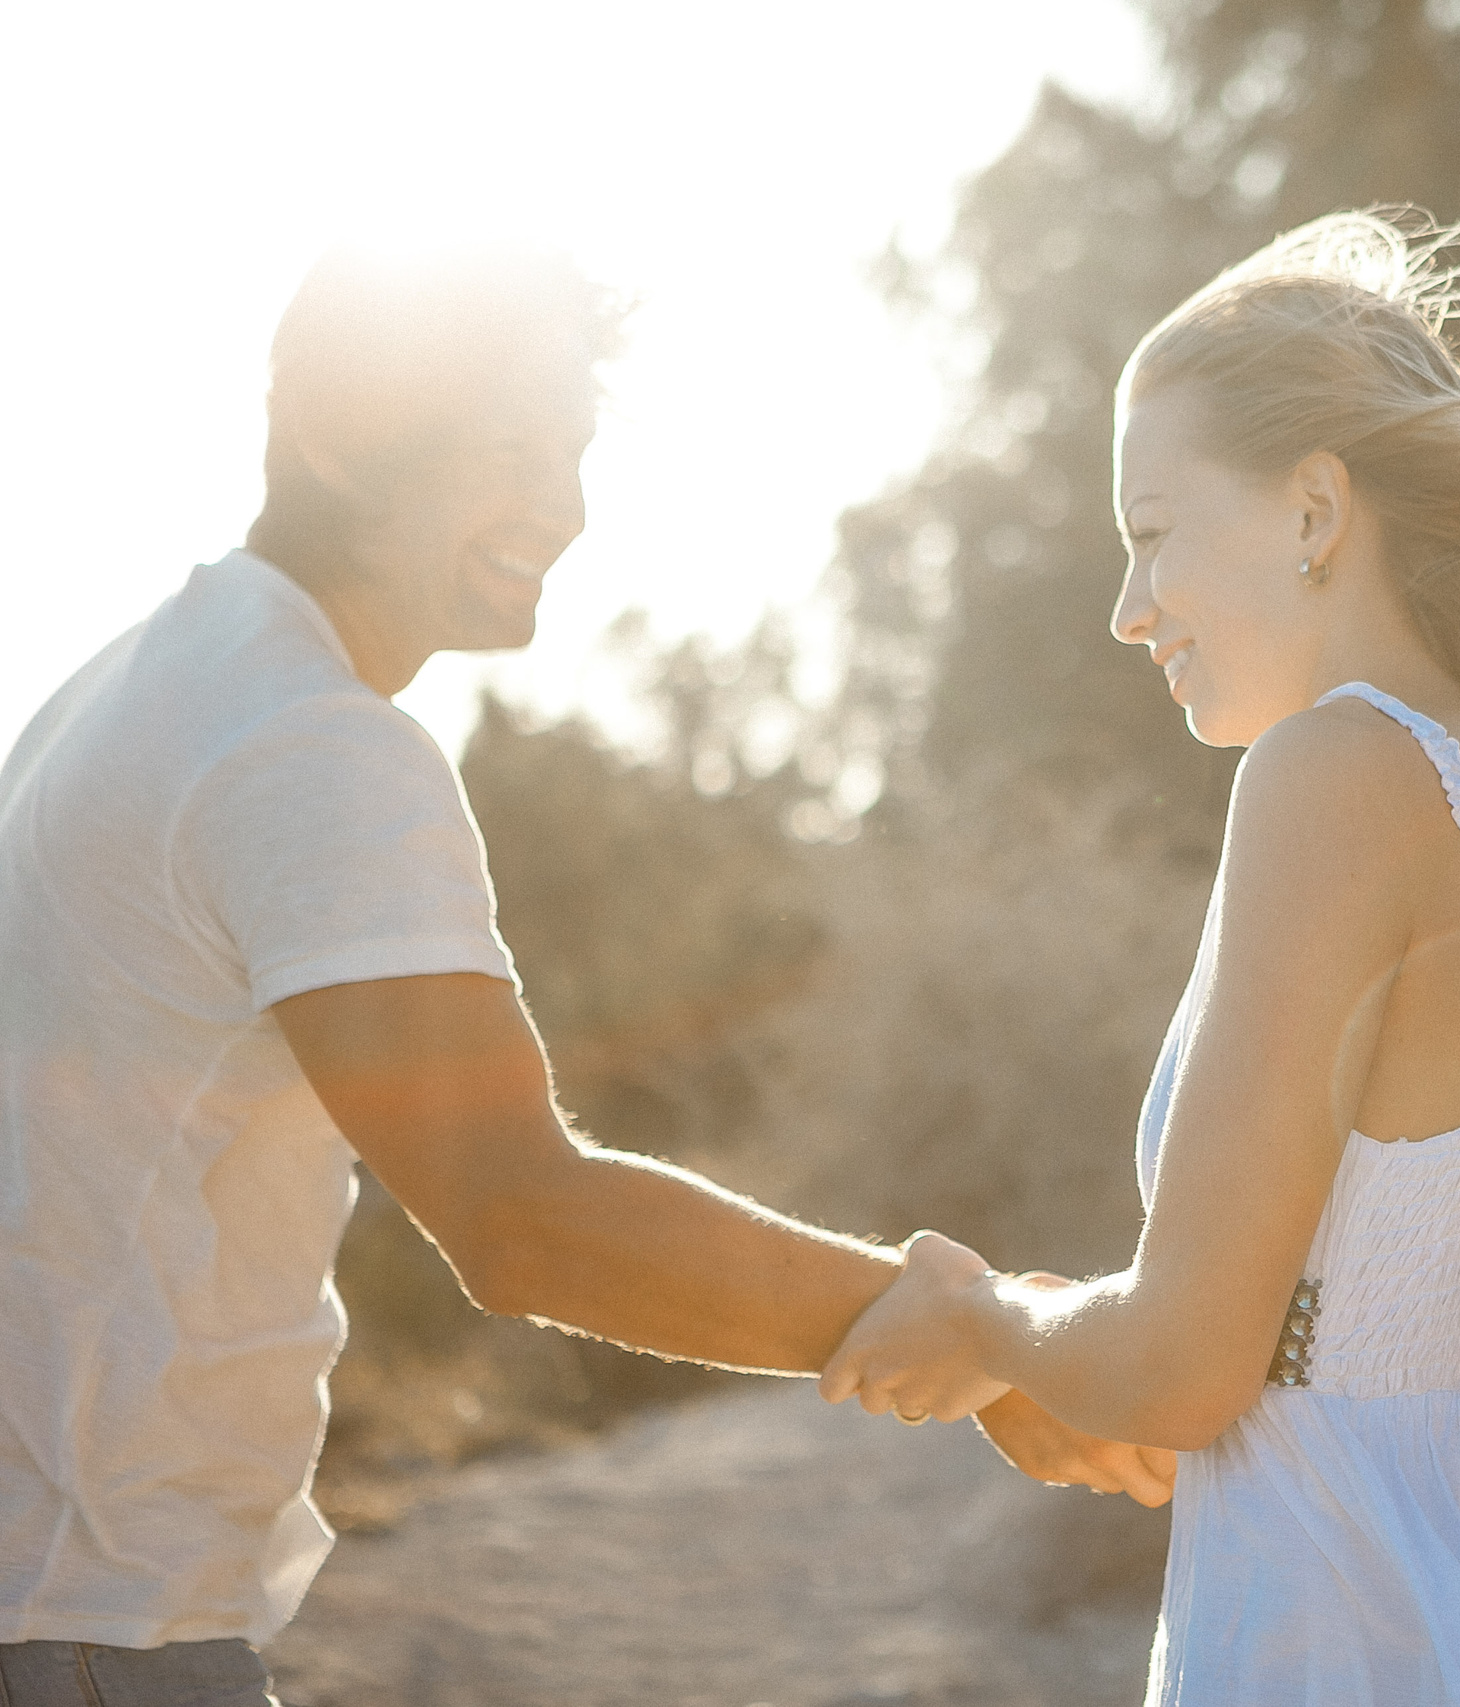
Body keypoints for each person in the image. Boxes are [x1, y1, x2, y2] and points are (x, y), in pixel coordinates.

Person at [0, 243, 1168, 1707]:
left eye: (573, 452)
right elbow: (520, 1215)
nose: (560, 504)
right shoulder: (310, 744)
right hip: (98, 1635)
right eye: (509, 450)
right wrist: (974, 1327)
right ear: (336, 438)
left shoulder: (139, 682)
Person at [824, 209, 1460, 1703]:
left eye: (1150, 534)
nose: (1128, 609)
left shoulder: (1327, 775)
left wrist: (989, 1320)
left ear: (1314, 511)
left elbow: (1180, 1366)